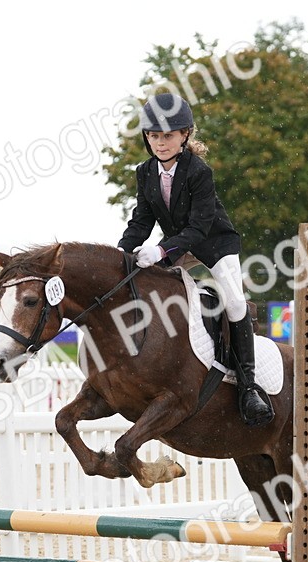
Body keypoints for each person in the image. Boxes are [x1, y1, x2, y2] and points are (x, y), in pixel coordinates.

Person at [117, 93, 273, 427]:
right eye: (154, 136)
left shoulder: (199, 171)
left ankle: (249, 389)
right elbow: (142, 221)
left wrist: (161, 251)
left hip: (214, 244)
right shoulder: (144, 172)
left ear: (185, 134)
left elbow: (200, 227)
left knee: (233, 303)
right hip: (177, 244)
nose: (160, 143)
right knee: (145, 284)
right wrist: (121, 254)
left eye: (168, 136)